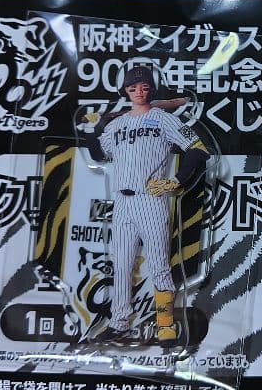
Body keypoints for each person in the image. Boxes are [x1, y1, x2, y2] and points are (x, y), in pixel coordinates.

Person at [80, 64, 208, 345]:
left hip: (151, 199)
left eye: (144, 87)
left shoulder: (163, 119)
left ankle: (165, 325)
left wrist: (176, 181)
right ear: (125, 91)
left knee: (159, 264)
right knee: (121, 266)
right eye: (133, 87)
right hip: (122, 203)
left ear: (151, 89)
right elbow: (99, 155)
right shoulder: (115, 125)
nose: (139, 91)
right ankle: (119, 323)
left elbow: (198, 150)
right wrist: (90, 129)